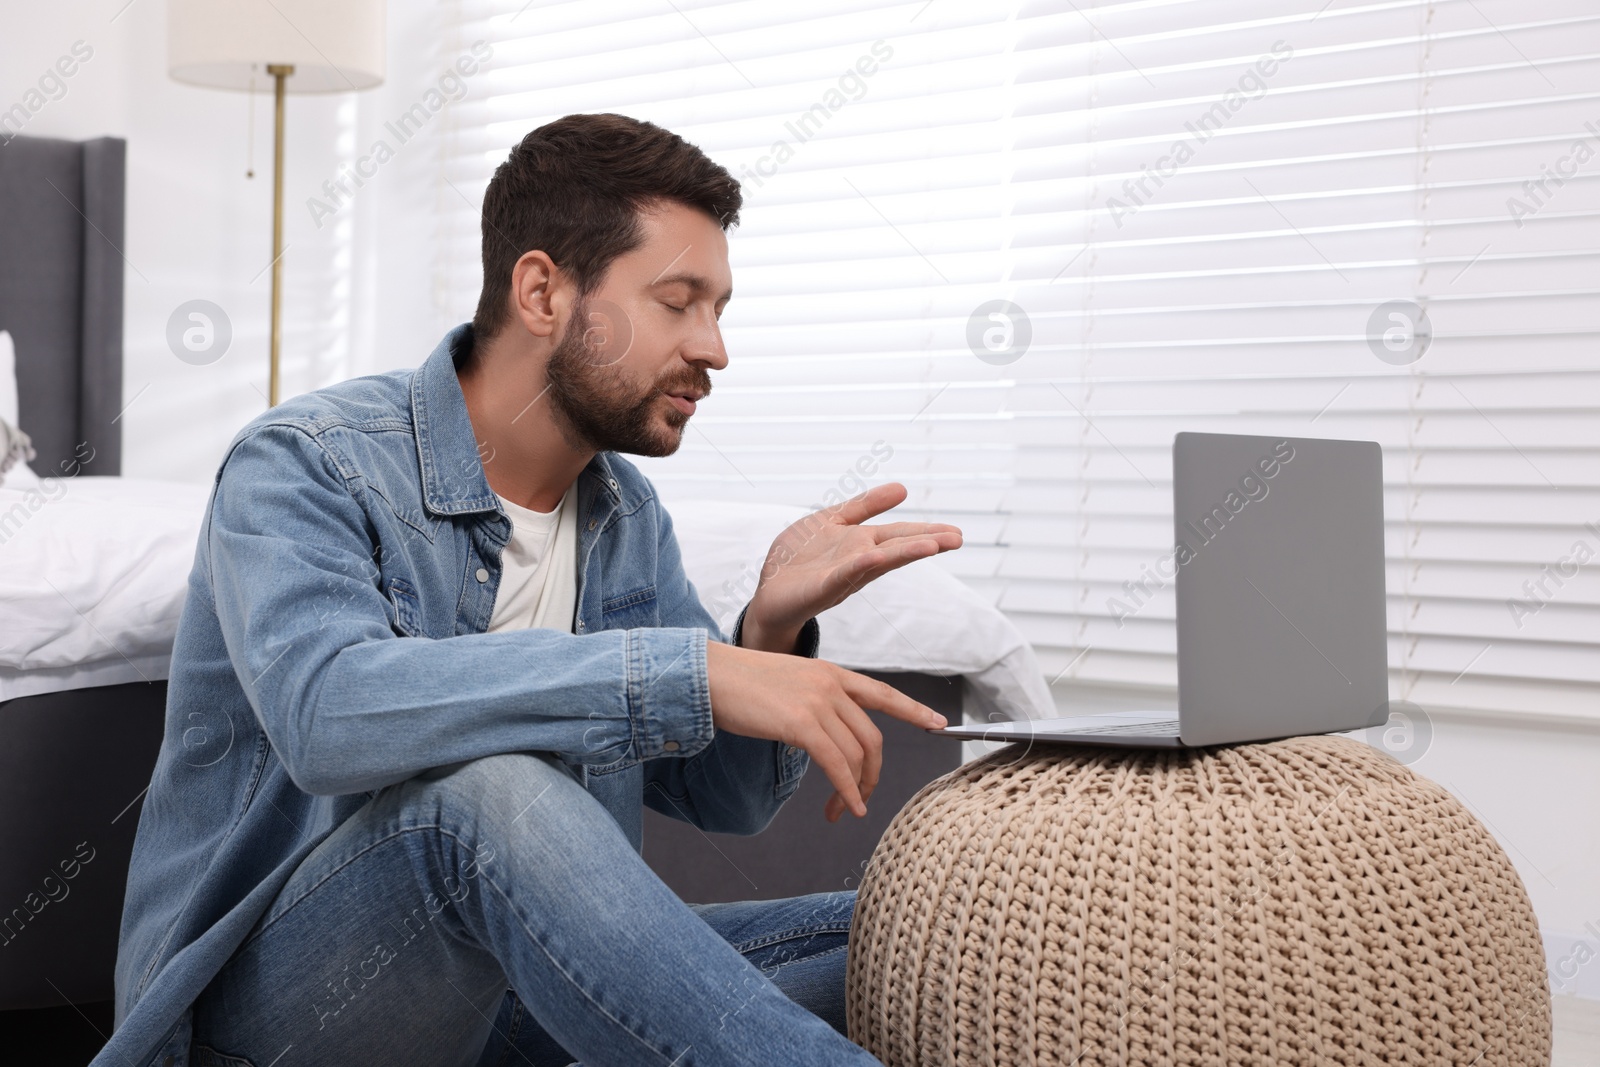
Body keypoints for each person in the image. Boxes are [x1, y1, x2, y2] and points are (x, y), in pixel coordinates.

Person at [95, 112, 962, 1067]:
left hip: (508, 1005)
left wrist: (769, 625)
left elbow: (725, 798)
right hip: (275, 1020)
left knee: (920, 932)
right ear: (543, 290)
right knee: (487, 795)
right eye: (679, 302)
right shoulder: (306, 465)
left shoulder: (622, 514)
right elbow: (326, 712)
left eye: (720, 309)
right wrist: (683, 672)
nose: (715, 349)